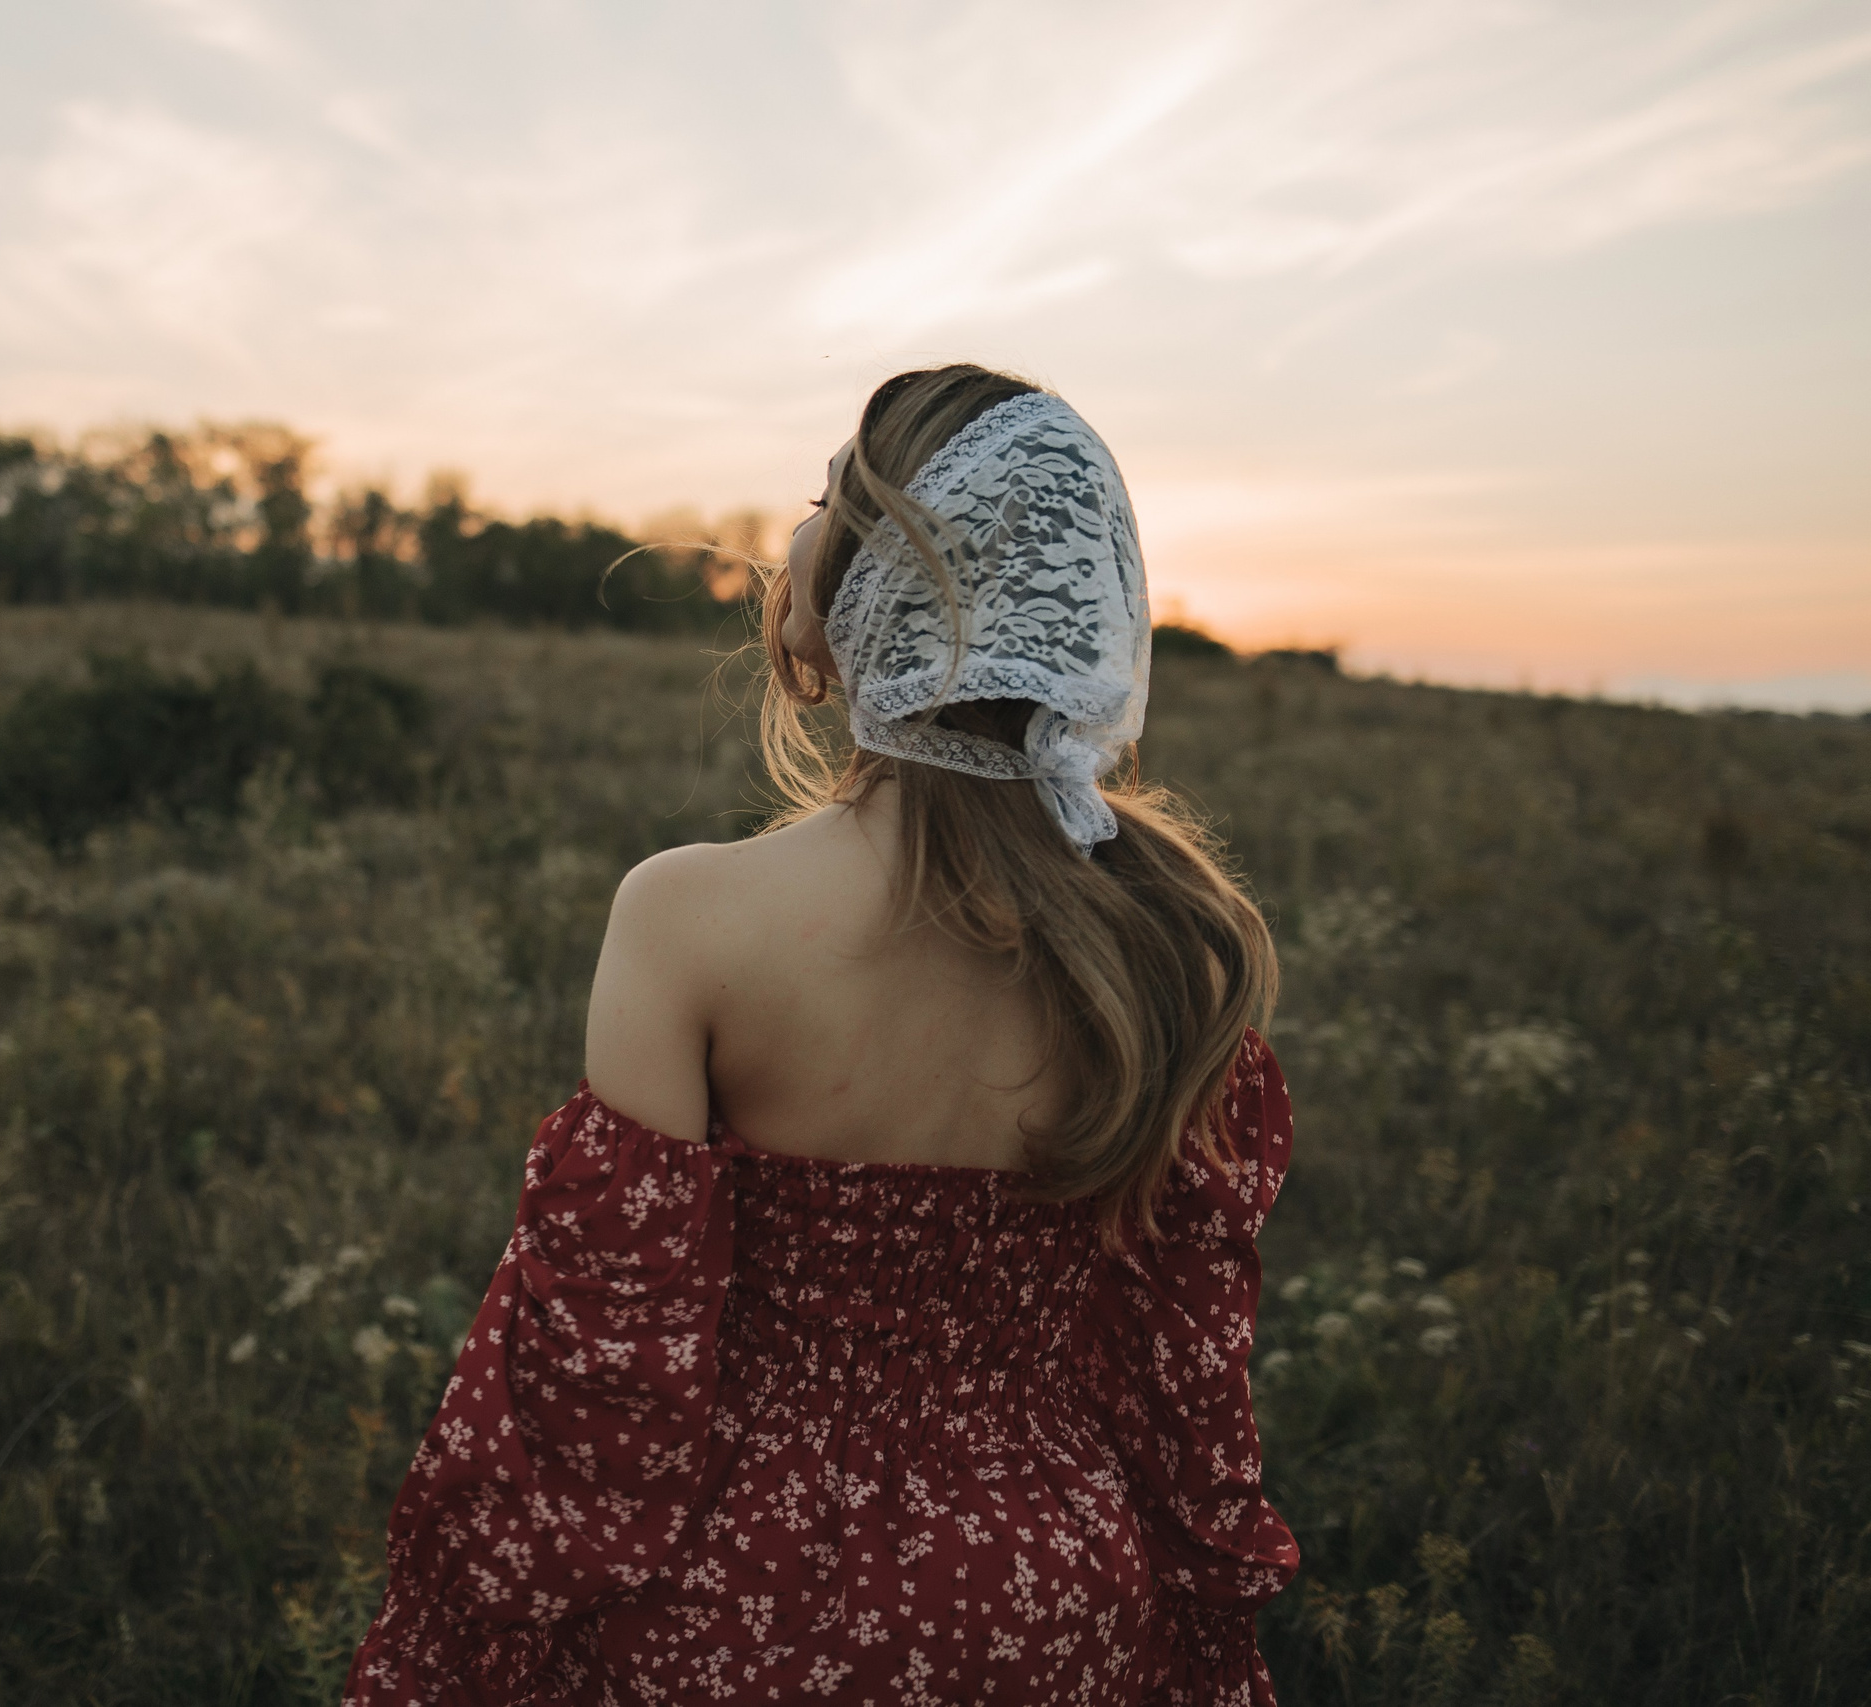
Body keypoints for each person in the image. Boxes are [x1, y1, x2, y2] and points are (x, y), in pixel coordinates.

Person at [345, 365, 1299, 1705]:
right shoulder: (1169, 948)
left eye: (825, 500)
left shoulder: (688, 917)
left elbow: (600, 1370)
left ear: (884, 585)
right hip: (1055, 1586)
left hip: (742, 1583)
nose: (796, 531)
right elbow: (1181, 1373)